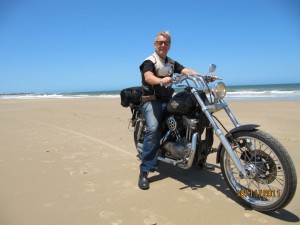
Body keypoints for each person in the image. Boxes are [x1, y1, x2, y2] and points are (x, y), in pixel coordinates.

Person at [138, 31, 205, 190]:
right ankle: (145, 171)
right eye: (160, 42)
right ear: (155, 44)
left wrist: (203, 77)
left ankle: (193, 155)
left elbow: (185, 70)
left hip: (168, 99)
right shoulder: (150, 61)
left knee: (191, 114)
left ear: (169, 45)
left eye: (166, 42)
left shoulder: (171, 62)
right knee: (153, 129)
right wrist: (160, 80)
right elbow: (148, 76)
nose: (163, 45)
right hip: (151, 100)